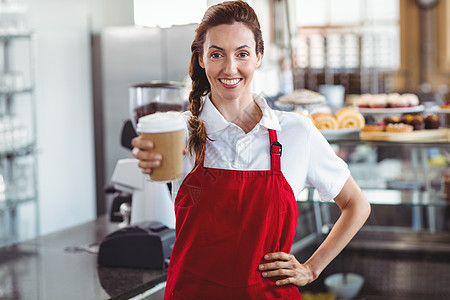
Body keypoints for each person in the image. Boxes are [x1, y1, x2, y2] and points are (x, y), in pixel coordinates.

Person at [131, 1, 371, 299]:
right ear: (202, 58)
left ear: (258, 56)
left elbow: (356, 205)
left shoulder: (296, 132)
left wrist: (311, 269)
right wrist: (146, 156)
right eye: (217, 54)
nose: (230, 68)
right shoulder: (181, 131)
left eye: (242, 54)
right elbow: (150, 157)